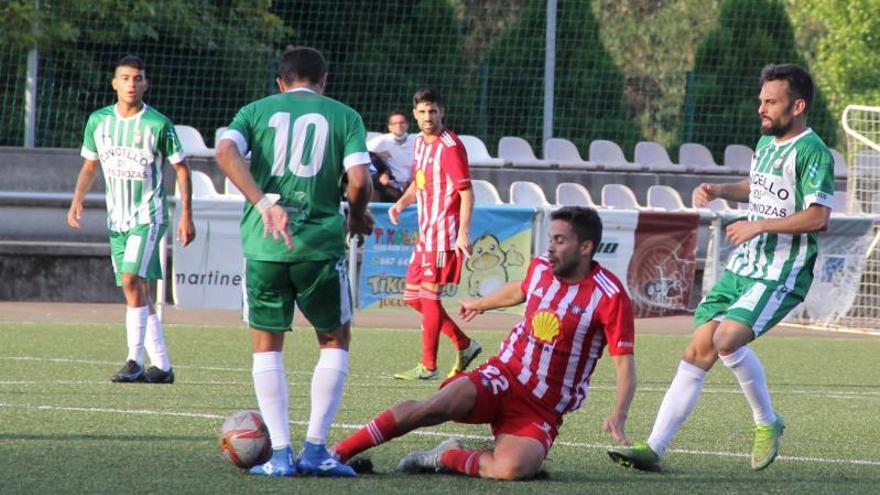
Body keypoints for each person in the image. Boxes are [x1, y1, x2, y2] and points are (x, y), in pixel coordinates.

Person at [607, 63, 834, 472]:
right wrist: (720, 190)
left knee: (727, 338)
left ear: (797, 106)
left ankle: (767, 421)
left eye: (771, 102)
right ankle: (654, 448)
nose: (761, 109)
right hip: (745, 264)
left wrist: (760, 224)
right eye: (760, 101)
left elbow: (818, 217)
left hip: (783, 268)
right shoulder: (766, 143)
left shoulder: (812, 151)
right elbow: (757, 187)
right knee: (698, 346)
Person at [331, 207, 637, 480]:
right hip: (504, 375)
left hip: (541, 408)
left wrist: (618, 414)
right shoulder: (542, 267)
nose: (551, 248)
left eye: (560, 241)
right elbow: (521, 290)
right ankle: (338, 453)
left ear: (585, 247)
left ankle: (446, 455)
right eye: (551, 239)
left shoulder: (610, 297)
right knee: (437, 406)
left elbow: (624, 364)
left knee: (512, 469)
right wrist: (482, 303)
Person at [215, 46, 374, 478]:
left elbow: (225, 151)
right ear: (324, 81)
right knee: (334, 340)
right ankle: (316, 450)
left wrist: (265, 202)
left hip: (264, 247)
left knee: (267, 347)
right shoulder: (345, 116)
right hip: (319, 248)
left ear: (281, 83)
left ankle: (280, 456)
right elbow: (359, 179)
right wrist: (356, 216)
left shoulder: (254, 110)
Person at [67, 54, 195, 385]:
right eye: (125, 78)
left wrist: (186, 215)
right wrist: (77, 200)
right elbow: (89, 165)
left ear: (145, 84)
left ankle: (134, 360)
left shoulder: (157, 124)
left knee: (129, 280)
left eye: (137, 78)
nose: (131, 84)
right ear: (114, 83)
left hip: (148, 215)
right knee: (135, 289)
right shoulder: (99, 122)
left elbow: (181, 168)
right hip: (118, 219)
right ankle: (163, 366)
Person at [388, 89, 481, 380]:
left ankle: (428, 365)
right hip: (426, 231)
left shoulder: (450, 146)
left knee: (428, 295)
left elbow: (466, 193)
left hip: (445, 233)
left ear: (442, 112)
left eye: (433, 111)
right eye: (423, 112)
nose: (428, 117)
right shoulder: (418, 143)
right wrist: (402, 202)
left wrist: (463, 234)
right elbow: (420, 182)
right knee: (412, 297)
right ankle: (464, 344)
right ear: (414, 113)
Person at [368, 109, 415, 200]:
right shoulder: (383, 140)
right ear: (390, 127)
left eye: (402, 123)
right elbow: (361, 151)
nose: (399, 126)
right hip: (391, 185)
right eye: (395, 123)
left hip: (414, 184)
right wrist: (378, 154)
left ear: (407, 125)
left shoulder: (416, 140)